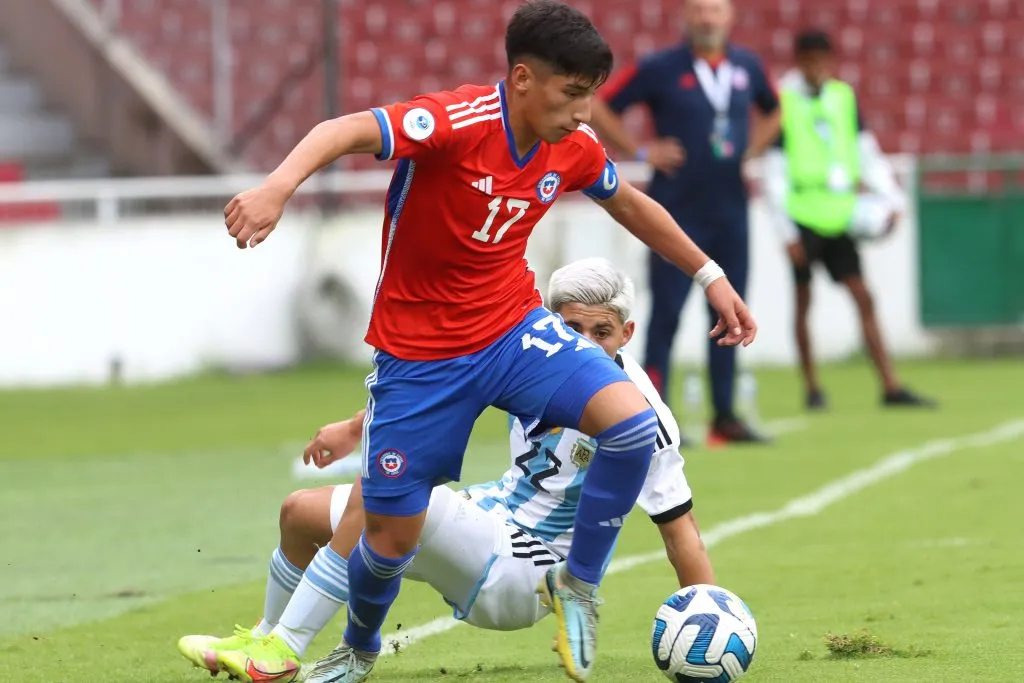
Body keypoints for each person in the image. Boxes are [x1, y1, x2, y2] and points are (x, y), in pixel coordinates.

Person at [222, 2, 755, 680]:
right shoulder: (454, 122)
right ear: (524, 78)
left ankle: (577, 588)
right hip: (420, 357)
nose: (585, 113)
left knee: (629, 424)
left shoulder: (573, 145)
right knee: (387, 535)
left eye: (590, 96)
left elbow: (633, 206)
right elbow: (342, 128)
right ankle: (357, 648)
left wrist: (709, 275)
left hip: (511, 331)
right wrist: (276, 189)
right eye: (572, 94)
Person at [177, 257, 714, 682]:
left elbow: (680, 532)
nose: (588, 342)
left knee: (388, 491)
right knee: (299, 514)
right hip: (487, 518)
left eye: (603, 331)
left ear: (627, 332)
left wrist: (707, 618)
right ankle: (262, 639)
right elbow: (440, 398)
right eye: (573, 328)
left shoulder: (640, 415)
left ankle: (284, 652)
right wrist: (354, 426)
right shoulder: (535, 357)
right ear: (552, 325)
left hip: (527, 571)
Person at [588, 0, 779, 446]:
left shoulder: (747, 66)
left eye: (715, 10)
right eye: (699, 10)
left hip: (731, 210)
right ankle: (657, 412)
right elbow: (599, 105)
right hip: (675, 211)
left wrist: (753, 148)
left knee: (730, 312)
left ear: (730, 17)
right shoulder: (660, 66)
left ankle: (725, 416)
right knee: (667, 316)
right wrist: (639, 151)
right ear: (686, 18)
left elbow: (776, 108)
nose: (707, 19)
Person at [761, 29, 936, 411]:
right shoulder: (783, 101)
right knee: (804, 302)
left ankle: (890, 384)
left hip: (840, 216)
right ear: (799, 60)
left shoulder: (843, 97)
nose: (817, 67)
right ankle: (812, 387)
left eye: (823, 60)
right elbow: (773, 169)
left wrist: (891, 197)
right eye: (810, 60)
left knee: (863, 296)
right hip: (802, 215)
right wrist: (785, 230)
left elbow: (866, 151)